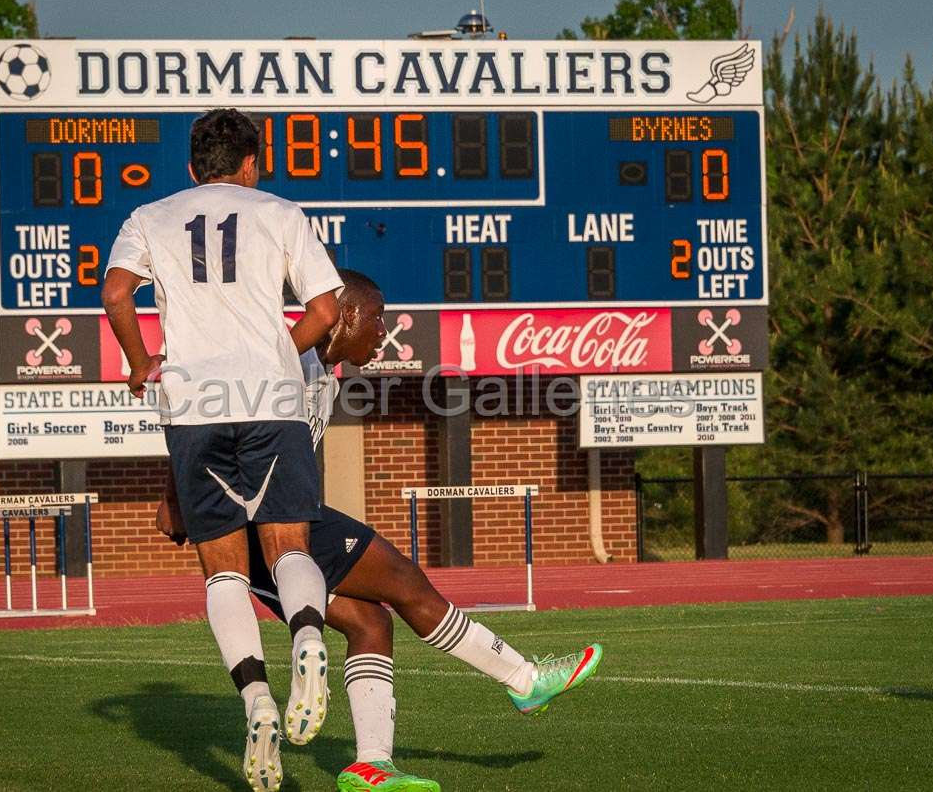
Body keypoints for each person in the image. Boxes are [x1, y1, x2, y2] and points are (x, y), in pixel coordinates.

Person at [158, 270, 603, 792]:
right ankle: (524, 680)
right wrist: (175, 495)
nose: (383, 331)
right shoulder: (285, 360)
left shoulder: (325, 370)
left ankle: (371, 765)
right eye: (376, 317)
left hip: (278, 527)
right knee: (405, 581)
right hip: (266, 529)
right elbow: (205, 417)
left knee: (371, 624)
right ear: (342, 315)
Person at [102, 108, 343, 790]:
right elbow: (326, 311)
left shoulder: (151, 214)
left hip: (194, 406)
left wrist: (139, 360)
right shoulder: (281, 211)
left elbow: (116, 292)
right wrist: (273, 354)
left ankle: (256, 700)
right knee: (290, 547)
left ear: (191, 168)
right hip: (271, 400)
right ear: (251, 164)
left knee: (223, 572)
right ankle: (305, 638)